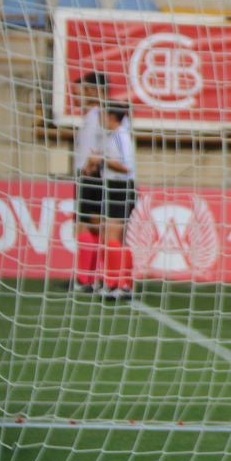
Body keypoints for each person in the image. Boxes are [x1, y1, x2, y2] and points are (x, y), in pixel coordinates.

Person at [71, 77, 138, 302]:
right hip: (104, 179)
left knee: (104, 231)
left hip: (109, 182)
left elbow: (123, 162)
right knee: (104, 231)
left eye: (82, 90)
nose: (78, 96)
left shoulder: (107, 121)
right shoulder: (99, 118)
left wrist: (97, 163)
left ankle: (109, 281)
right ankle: (109, 280)